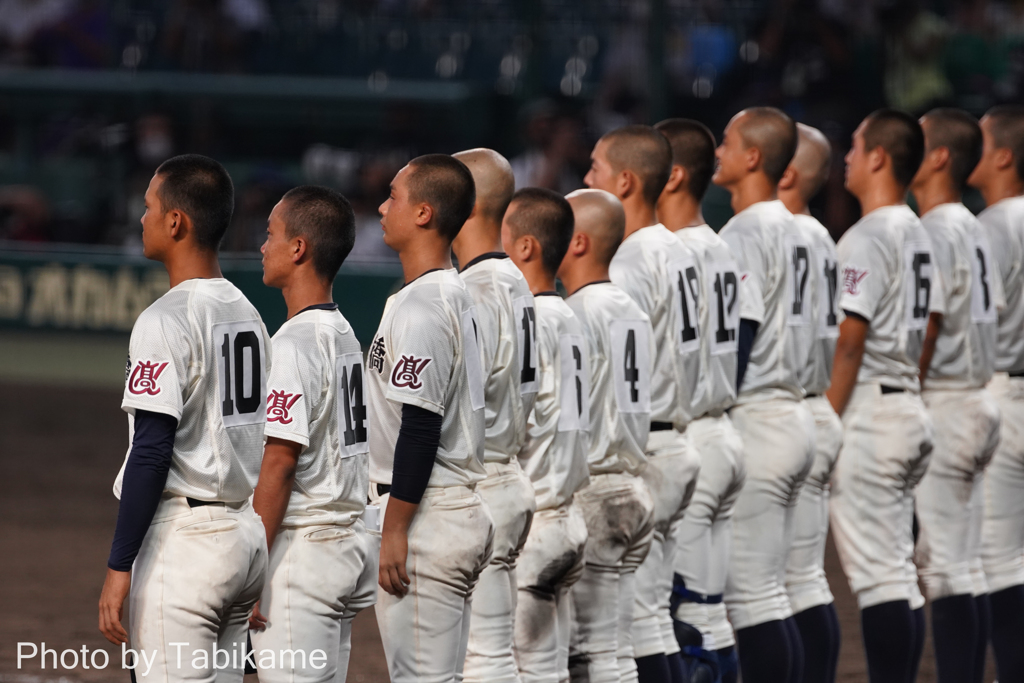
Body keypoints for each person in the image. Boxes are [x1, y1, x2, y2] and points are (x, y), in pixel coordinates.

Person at [97, 155, 271, 682]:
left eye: (150, 207)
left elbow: (151, 450)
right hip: (243, 536)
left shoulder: (164, 319)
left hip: (187, 547)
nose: (142, 217)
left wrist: (118, 566)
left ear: (176, 222)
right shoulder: (250, 314)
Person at [827, 109, 944, 683]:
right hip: (906, 403)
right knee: (898, 574)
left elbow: (850, 340)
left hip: (872, 412)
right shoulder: (918, 228)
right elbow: (929, 329)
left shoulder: (868, 233)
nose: (846, 157)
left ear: (878, 157)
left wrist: (827, 418)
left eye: (854, 145)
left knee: (880, 580)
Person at [367, 154, 493, 683]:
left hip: (426, 515)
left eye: (393, 196)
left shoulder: (425, 305)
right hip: (449, 508)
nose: (381, 205)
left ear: (423, 213)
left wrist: (396, 529)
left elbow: (420, 427)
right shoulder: (449, 292)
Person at [585, 124, 702, 683]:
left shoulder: (629, 257)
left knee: (634, 626)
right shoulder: (679, 247)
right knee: (654, 618)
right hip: (679, 435)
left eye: (596, 169)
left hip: (645, 445)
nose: (587, 179)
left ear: (625, 181)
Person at [248, 186, 378, 683]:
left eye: (271, 234)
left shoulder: (294, 342)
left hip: (303, 555)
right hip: (346, 546)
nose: (263, 246)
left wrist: (252, 568)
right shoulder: (344, 331)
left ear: (299, 248)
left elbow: (279, 462)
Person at [910, 108, 1003, 683]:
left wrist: (905, 398)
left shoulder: (938, 228)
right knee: (965, 564)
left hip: (946, 400)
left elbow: (929, 324)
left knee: (944, 567)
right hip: (980, 398)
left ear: (939, 156)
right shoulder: (972, 224)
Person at [654, 117, 746, 683]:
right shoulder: (720, 244)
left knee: (680, 617)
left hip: (685, 436)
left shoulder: (662, 252)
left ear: (673, 175)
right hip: (724, 430)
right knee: (711, 612)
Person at [559, 188, 656, 683]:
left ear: (576, 243)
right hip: (637, 485)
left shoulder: (574, 312)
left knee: (589, 658)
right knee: (618, 652)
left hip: (595, 491)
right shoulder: (631, 306)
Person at [451, 148, 538, 683]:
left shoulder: (473, 291)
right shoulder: (517, 281)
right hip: (509, 474)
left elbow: (459, 403)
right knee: (496, 657)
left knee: (480, 661)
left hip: (480, 486)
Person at [503, 187, 590, 683]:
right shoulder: (571, 315)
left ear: (526, 247)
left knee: (514, 668)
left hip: (533, 525)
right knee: (550, 669)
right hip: (569, 517)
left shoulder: (530, 318)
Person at [777, 123, 844, 683]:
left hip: (782, 408)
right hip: (815, 407)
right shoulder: (822, 234)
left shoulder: (765, 233)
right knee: (806, 579)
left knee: (768, 590)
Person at [967, 103, 1024, 683]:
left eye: (980, 142)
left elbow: (979, 323)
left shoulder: (992, 225)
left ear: (1003, 155)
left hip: (1004, 399)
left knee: (1001, 563)